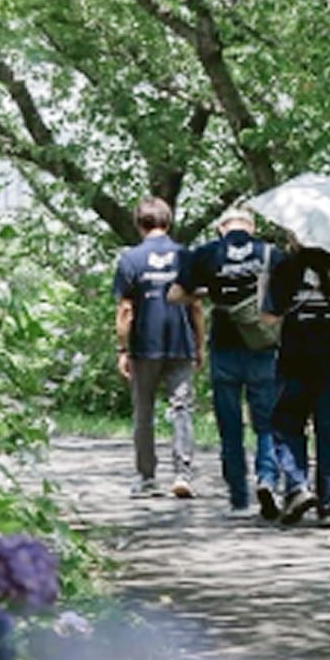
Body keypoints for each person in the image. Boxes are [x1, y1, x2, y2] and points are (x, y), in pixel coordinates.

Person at [174, 209, 283, 519]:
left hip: (224, 347)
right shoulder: (270, 253)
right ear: (252, 227)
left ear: (222, 228)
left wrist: (207, 293)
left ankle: (238, 497)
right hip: (262, 346)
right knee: (266, 422)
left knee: (230, 426)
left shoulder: (206, 253)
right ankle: (267, 479)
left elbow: (175, 295)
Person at [262, 236, 330, 528]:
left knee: (286, 425)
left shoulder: (286, 266)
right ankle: (329, 508)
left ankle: (297, 486)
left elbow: (269, 317)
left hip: (295, 356)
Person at [111, 197, 203, 499]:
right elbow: (197, 307)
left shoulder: (130, 260)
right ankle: (182, 474)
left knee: (144, 412)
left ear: (139, 224)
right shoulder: (186, 256)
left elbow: (126, 311)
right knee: (182, 409)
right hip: (180, 343)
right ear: (169, 222)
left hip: (144, 347)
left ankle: (147, 478)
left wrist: (122, 349)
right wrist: (199, 345)